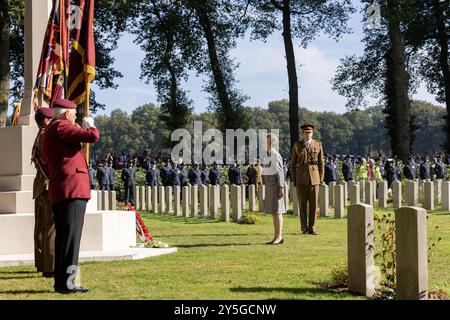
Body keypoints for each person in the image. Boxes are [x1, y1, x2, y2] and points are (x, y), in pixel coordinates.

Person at [43, 98, 99, 293]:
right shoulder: (62, 127)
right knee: (71, 240)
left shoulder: (53, 129)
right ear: (67, 114)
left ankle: (62, 283)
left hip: (64, 190)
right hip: (72, 190)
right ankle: (69, 284)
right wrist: (90, 125)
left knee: (65, 240)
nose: (76, 117)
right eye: (74, 114)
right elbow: (92, 137)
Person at [31, 107, 55, 278]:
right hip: (47, 185)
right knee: (51, 226)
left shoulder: (38, 134)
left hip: (39, 186)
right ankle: (50, 267)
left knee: (40, 227)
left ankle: (41, 263)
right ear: (46, 121)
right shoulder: (47, 135)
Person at [291, 124, 324, 235]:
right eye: (306, 133)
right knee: (303, 204)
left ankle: (312, 227)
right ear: (302, 133)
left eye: (309, 133)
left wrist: (320, 178)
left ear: (312, 133)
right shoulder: (297, 145)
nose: (308, 135)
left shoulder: (317, 144)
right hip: (301, 177)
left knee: (314, 204)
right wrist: (294, 178)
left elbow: (321, 162)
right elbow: (293, 163)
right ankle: (304, 227)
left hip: (314, 177)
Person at [262, 133, 286, 245]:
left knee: (278, 211)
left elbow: (280, 172)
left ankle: (279, 236)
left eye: (265, 141)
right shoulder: (267, 154)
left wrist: (280, 187)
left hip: (276, 186)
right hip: (270, 186)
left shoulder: (275, 155)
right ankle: (276, 236)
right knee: (274, 212)